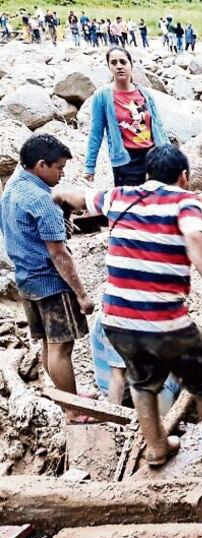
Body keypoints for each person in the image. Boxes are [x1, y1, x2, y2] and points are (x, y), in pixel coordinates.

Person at [55, 145, 202, 467]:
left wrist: (58, 198)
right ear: (184, 176)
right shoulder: (185, 201)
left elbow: (76, 196)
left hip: (117, 319)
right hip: (164, 321)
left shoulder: (121, 195)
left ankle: (156, 448)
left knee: (141, 381)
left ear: (147, 174)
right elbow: (195, 239)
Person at [0, 135, 94, 423]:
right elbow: (59, 254)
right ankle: (73, 410)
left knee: (46, 344)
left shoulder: (12, 187)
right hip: (51, 283)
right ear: (41, 165)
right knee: (61, 347)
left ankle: (66, 396)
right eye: (59, 167)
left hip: (25, 278)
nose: (62, 173)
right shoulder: (42, 200)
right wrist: (81, 294)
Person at [85, 47, 169, 187]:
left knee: (155, 202)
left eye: (123, 62)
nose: (119, 66)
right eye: (114, 63)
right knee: (129, 203)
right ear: (109, 67)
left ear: (131, 65)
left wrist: (169, 155)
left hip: (153, 157)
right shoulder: (102, 96)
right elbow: (96, 132)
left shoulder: (145, 93)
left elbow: (158, 126)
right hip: (126, 161)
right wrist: (90, 166)